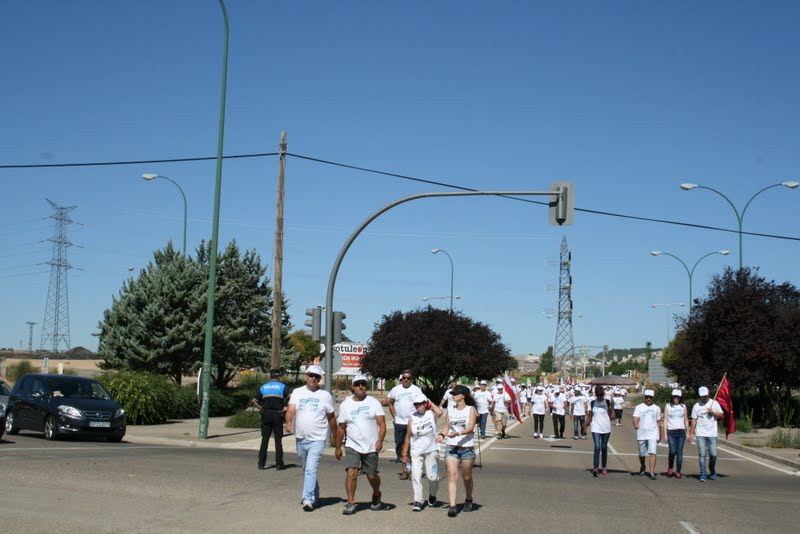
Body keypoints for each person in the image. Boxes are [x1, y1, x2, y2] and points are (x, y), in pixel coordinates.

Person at [284, 365, 337, 512]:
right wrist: (288, 421)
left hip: (317, 439)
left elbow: (331, 418)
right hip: (301, 438)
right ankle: (315, 492)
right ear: (306, 376)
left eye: (317, 376)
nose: (313, 378)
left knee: (310, 470)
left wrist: (335, 436)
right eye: (311, 375)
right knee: (306, 469)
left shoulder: (325, 395)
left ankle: (308, 499)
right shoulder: (297, 392)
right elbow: (291, 410)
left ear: (320, 379)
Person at [335, 374, 387, 515]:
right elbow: (341, 428)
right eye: (357, 384)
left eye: (363, 384)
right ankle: (351, 502)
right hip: (352, 445)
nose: (361, 387)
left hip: (371, 446)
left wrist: (380, 440)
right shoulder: (346, 405)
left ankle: (376, 493)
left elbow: (382, 424)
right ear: (353, 387)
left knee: (371, 476)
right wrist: (338, 447)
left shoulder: (373, 403)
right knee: (351, 473)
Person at [401, 391, 444, 511]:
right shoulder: (412, 418)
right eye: (415, 404)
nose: (417, 406)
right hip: (416, 451)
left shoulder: (431, 414)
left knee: (432, 477)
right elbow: (408, 436)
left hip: (432, 450)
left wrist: (430, 401)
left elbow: (440, 413)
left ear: (425, 404)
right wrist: (404, 453)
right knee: (416, 475)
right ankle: (418, 500)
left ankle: (432, 494)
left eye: (420, 404)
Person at [439, 384, 478, 518]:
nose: (453, 396)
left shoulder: (471, 409)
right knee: (452, 475)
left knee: (466, 477)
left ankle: (468, 498)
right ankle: (453, 506)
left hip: (467, 448)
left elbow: (470, 428)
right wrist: (441, 435)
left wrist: (458, 433)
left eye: (455, 394)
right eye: (452, 394)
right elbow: (446, 427)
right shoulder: (450, 410)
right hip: (452, 447)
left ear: (463, 395)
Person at [388, 370, 423, 480]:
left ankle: (411, 470)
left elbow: (422, 404)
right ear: (401, 379)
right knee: (401, 446)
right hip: (399, 423)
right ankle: (405, 470)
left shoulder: (416, 390)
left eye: (408, 378)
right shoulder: (396, 390)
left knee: (412, 447)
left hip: (413, 422)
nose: (406, 380)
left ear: (411, 379)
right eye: (404, 378)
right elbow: (390, 402)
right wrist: (395, 417)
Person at [251, 368, 289, 470]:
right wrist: (285, 409)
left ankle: (261, 464)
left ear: (270, 376)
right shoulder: (283, 387)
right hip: (278, 414)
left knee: (264, 440)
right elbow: (291, 398)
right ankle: (279, 464)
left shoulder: (263, 387)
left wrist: (261, 409)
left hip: (266, 414)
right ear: (278, 376)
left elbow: (254, 401)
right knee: (278, 440)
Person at [689, 386, 724, 481]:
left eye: (705, 395)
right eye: (702, 396)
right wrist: (691, 433)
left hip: (712, 433)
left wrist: (713, 412)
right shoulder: (696, 406)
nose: (704, 397)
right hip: (700, 433)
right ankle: (703, 473)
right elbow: (694, 420)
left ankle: (712, 468)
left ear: (708, 394)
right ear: (700, 396)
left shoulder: (714, 403)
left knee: (713, 454)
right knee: (702, 454)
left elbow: (721, 415)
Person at [633, 389, 662, 480]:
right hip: (642, 433)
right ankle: (643, 466)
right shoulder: (639, 407)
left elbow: (658, 422)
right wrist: (635, 424)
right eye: (647, 397)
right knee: (642, 453)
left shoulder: (656, 408)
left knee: (652, 452)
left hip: (653, 433)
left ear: (653, 398)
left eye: (650, 397)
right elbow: (635, 418)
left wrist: (659, 433)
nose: (648, 399)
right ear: (644, 397)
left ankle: (651, 472)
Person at [586, 384, 615, 476]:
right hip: (595, 427)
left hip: (606, 427)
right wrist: (585, 426)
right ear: (595, 394)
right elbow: (590, 415)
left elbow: (612, 417)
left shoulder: (607, 402)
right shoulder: (592, 403)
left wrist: (612, 406)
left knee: (604, 447)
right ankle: (595, 468)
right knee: (597, 447)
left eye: (601, 395)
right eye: (597, 395)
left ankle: (603, 467)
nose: (599, 397)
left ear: (603, 394)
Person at [663, 388, 689, 479]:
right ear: (672, 397)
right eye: (674, 396)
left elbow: (686, 420)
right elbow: (665, 420)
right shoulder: (668, 406)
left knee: (679, 452)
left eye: (678, 397)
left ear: (680, 397)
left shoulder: (683, 406)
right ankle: (670, 467)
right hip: (671, 432)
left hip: (681, 431)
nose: (676, 398)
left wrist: (688, 432)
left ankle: (678, 471)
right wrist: (665, 434)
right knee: (672, 451)